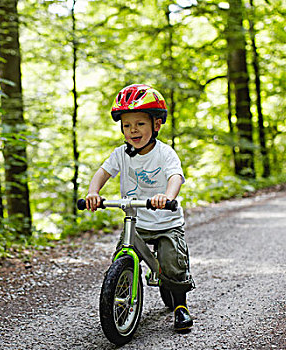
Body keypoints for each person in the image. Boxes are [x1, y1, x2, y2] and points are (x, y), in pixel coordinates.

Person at [85, 83, 195, 331]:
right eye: (127, 125)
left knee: (172, 265)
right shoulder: (120, 154)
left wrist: (167, 196)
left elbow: (175, 176)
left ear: (156, 125)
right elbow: (102, 173)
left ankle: (180, 306)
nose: (133, 130)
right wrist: (94, 192)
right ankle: (121, 292)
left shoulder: (165, 153)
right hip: (137, 222)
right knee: (120, 257)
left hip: (165, 221)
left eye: (140, 124)